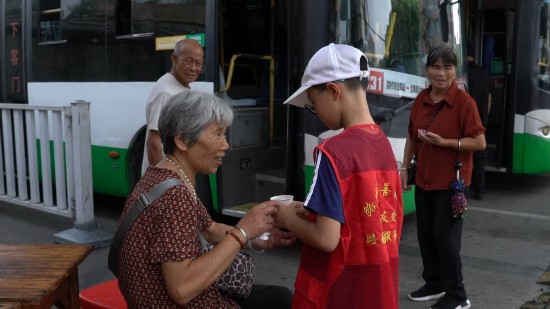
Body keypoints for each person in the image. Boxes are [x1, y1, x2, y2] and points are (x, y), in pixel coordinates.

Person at [119, 89, 296, 308]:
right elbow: (181, 289)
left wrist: (254, 237)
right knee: (281, 299)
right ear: (183, 140)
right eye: (218, 134)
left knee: (278, 297)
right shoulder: (175, 195)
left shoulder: (163, 174)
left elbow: (209, 228)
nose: (226, 145)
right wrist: (242, 232)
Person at [275, 43, 403, 309]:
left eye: (313, 104)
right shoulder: (383, 143)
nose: (316, 113)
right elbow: (360, 214)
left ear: (333, 91)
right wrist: (311, 212)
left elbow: (326, 238)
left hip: (341, 290)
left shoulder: (334, 151)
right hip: (379, 286)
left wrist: (287, 217)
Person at [400, 46, 486, 309]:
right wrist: (404, 170)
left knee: (445, 239)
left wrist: (446, 142)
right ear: (427, 70)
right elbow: (412, 137)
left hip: (453, 183)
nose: (441, 73)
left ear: (454, 72)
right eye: (436, 67)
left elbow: (480, 142)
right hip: (425, 179)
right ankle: (434, 284)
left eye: (447, 67)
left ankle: (458, 296)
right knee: (426, 235)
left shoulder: (464, 103)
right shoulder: (421, 100)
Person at [142, 39, 205, 174]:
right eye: (188, 61)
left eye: (198, 63)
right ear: (174, 59)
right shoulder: (166, 93)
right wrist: (164, 181)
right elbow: (154, 142)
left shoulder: (182, 87)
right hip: (167, 179)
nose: (193, 68)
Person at [467, 44, 491, 200]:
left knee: (465, 156)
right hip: (480, 120)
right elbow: (489, 100)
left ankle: (465, 190)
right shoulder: (483, 73)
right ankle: (480, 189)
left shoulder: (463, 73)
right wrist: (483, 118)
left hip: (465, 121)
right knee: (479, 156)